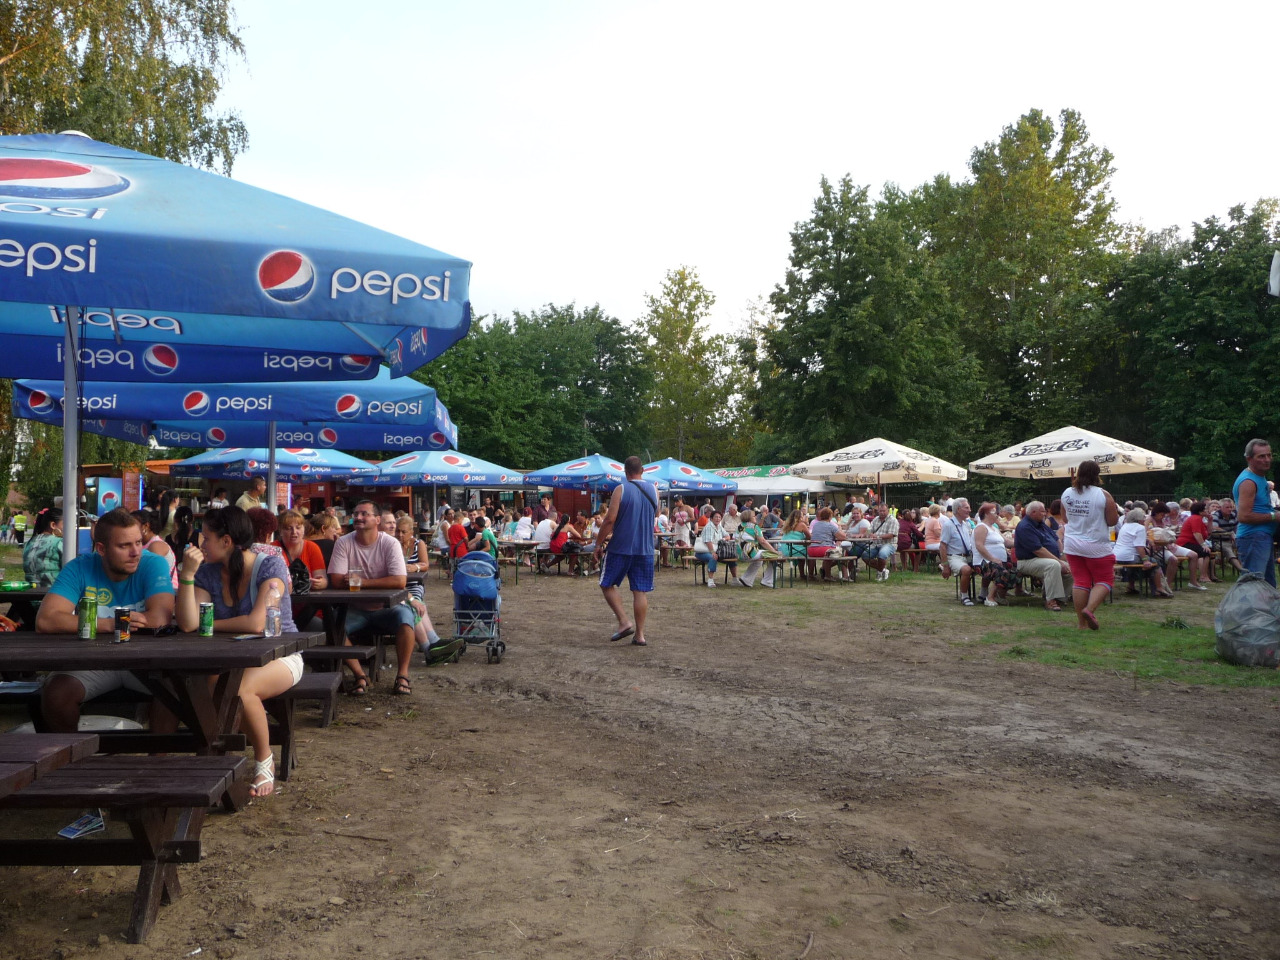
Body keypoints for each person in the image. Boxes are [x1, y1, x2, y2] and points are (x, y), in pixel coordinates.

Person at [176, 507, 298, 798]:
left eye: (206, 538)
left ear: (227, 541)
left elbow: (257, 623)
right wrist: (187, 575)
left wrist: (208, 624)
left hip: (281, 654)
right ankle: (216, 758)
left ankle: (264, 758)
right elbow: (189, 623)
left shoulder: (270, 566)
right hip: (228, 659)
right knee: (201, 686)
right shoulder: (207, 572)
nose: (201, 544)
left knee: (239, 690)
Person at [37, 509, 176, 732]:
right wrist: (111, 624)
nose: (136, 552)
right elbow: (46, 620)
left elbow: (160, 618)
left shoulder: (153, 563)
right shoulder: (80, 566)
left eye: (138, 543)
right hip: (93, 660)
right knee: (56, 694)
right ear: (101, 549)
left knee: (176, 690)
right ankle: (73, 753)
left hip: (146, 660)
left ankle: (158, 753)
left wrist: (90, 623)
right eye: (124, 546)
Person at [328, 500, 436, 696]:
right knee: (334, 625)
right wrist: (382, 582)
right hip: (355, 608)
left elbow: (399, 581)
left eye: (364, 514)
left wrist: (362, 582)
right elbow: (336, 580)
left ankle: (402, 675)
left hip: (387, 608)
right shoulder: (344, 542)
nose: (358, 517)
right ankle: (360, 675)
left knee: (406, 618)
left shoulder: (389, 543)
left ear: (377, 520)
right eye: (356, 514)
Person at [594, 456, 657, 646]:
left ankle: (624, 621)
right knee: (640, 591)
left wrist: (598, 544)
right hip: (645, 548)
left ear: (625, 471)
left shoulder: (621, 489)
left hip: (621, 547)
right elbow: (654, 515)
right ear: (642, 470)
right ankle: (640, 635)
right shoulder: (654, 490)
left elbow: (609, 519)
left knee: (606, 583)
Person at [1060, 460, 1120, 630]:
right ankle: (1089, 609)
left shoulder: (1067, 493)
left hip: (1072, 543)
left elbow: (1065, 519)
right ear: (1097, 475)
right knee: (1105, 579)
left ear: (1079, 473)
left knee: (1080, 581)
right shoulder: (1103, 495)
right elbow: (1112, 521)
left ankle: (1081, 624)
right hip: (1096, 544)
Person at [1014, 501, 1072, 613]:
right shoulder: (1025, 527)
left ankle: (1060, 599)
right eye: (1042, 511)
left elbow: (1056, 539)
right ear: (1033, 512)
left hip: (1044, 559)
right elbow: (1038, 550)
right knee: (1053, 565)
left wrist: (1061, 555)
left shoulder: (1041, 524)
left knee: (1070, 568)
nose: (1045, 513)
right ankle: (1050, 601)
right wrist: (1059, 561)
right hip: (1027, 561)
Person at [1233, 439, 1277, 586]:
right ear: (1249, 459)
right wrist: (1274, 516)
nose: (1267, 460)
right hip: (1253, 537)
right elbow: (1243, 516)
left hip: (1261, 536)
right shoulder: (1248, 482)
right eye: (1261, 456)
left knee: (1267, 586)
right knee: (1253, 586)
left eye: (1269, 455)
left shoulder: (1259, 477)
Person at [278, 508, 329, 628]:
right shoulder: (274, 548)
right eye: (288, 528)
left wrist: (319, 583)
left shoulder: (312, 548)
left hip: (309, 611)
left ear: (304, 529)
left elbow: (323, 580)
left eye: (298, 527)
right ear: (280, 531)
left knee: (321, 626)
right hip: (281, 611)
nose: (294, 532)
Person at [395, 515, 437, 652]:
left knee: (415, 604)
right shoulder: (393, 545)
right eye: (397, 531)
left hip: (414, 584)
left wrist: (415, 567)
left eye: (403, 532)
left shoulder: (419, 544)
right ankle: (431, 643)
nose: (400, 535)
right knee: (414, 606)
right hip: (398, 585)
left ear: (411, 532)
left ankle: (430, 643)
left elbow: (425, 564)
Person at [1114, 506, 1173, 597]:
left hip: (1117, 556)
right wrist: (1145, 560)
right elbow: (1139, 547)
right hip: (1130, 556)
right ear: (1139, 519)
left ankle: (1131, 586)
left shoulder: (1125, 526)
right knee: (1155, 563)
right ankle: (1159, 588)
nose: (1144, 519)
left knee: (1133, 566)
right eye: (1143, 518)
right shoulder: (1140, 528)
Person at [973, 502, 1016, 606]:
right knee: (1001, 571)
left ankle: (1000, 595)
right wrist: (992, 558)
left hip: (998, 560)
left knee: (1014, 569)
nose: (998, 515)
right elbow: (979, 545)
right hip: (984, 561)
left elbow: (1006, 541)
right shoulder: (981, 527)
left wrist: (1021, 543)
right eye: (995, 512)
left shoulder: (994, 528)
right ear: (986, 514)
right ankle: (990, 597)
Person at [938, 497, 976, 605]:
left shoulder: (966, 524)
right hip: (954, 557)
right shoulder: (948, 525)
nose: (969, 510)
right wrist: (946, 565)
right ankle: (964, 596)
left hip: (967, 556)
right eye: (966, 508)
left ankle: (984, 594)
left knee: (986, 565)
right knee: (966, 570)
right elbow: (942, 546)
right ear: (958, 509)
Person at [132, 508, 178, 589]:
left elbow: (149, 572)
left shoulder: (156, 545)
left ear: (145, 526)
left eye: (133, 525)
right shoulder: (143, 544)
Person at [1175, 501, 1214, 588]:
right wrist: (1203, 545)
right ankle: (1203, 576)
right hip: (1185, 543)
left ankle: (1205, 575)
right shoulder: (1196, 518)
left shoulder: (1200, 519)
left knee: (1208, 551)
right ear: (1200, 512)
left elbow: (1209, 532)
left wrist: (1210, 521)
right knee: (1205, 552)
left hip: (1192, 542)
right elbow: (1196, 533)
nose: (1207, 510)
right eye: (1205, 509)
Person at [735, 509, 778, 588]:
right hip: (749, 554)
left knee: (759, 561)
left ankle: (746, 580)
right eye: (754, 516)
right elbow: (763, 541)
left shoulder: (739, 526)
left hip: (738, 554)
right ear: (749, 518)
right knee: (774, 556)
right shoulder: (755, 527)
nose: (755, 517)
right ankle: (768, 581)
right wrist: (774, 551)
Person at [22, 506, 64, 587]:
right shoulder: (59, 543)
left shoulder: (28, 543)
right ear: (53, 525)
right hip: (53, 592)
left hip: (31, 592)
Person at [694, 509, 733, 587]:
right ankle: (710, 580)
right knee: (713, 557)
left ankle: (735, 579)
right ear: (711, 518)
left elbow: (728, 536)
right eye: (716, 517)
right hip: (703, 551)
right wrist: (713, 552)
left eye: (719, 517)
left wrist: (723, 539)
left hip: (716, 550)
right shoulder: (709, 527)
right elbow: (708, 541)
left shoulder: (719, 527)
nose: (718, 519)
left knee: (732, 557)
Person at [807, 507, 845, 582]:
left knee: (813, 557)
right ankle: (828, 575)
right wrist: (841, 531)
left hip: (811, 549)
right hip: (824, 549)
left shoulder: (816, 525)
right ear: (830, 516)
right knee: (834, 553)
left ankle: (810, 575)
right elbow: (842, 537)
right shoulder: (830, 525)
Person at [864, 503, 898, 582]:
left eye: (884, 511)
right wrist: (869, 534)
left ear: (888, 511)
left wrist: (878, 536)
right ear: (878, 511)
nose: (882, 512)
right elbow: (869, 530)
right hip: (875, 544)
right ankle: (883, 570)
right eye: (880, 511)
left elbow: (891, 535)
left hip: (889, 544)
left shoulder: (893, 520)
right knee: (865, 555)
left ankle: (879, 573)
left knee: (882, 554)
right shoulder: (875, 519)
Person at [1212, 497, 1243, 575]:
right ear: (1220, 507)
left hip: (1231, 539)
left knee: (1244, 545)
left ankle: (1248, 567)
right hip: (1218, 540)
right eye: (1227, 507)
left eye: (1231, 507)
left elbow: (1237, 528)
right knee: (1227, 549)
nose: (1230, 509)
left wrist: (1237, 536)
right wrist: (1229, 533)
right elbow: (1214, 527)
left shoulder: (1234, 515)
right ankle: (1242, 570)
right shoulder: (1215, 515)